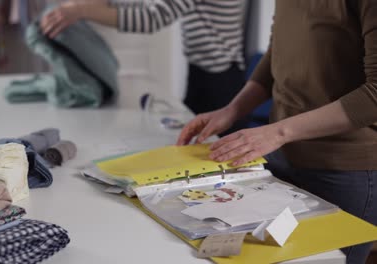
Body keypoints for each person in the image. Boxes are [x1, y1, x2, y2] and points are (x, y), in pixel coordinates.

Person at [177, 1, 377, 263]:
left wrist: (277, 133)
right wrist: (233, 110)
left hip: (343, 170)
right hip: (282, 158)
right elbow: (278, 51)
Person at [40, 0, 248, 133]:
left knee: (219, 158)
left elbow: (151, 18)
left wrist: (82, 10)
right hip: (204, 72)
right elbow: (147, 8)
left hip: (220, 81)